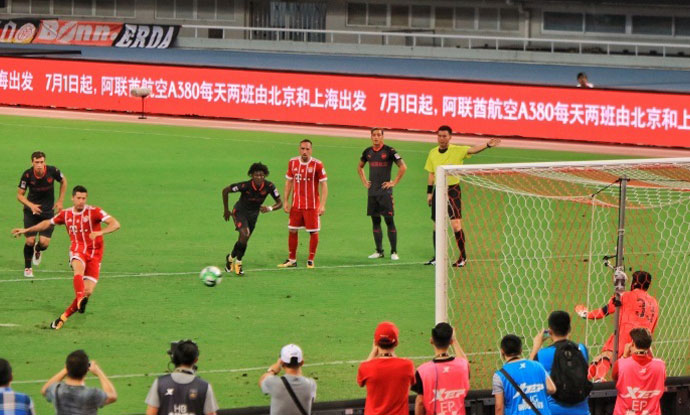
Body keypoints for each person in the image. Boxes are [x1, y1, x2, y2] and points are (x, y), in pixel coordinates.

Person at [11, 185, 121, 330]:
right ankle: (80, 298)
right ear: (72, 198)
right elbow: (47, 223)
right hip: (77, 249)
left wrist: (101, 232)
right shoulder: (66, 214)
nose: (81, 201)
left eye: (84, 198)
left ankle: (62, 318)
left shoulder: (94, 211)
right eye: (78, 198)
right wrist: (26, 230)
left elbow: (115, 224)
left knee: (88, 291)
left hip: (95, 254)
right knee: (78, 270)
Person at [424, 126, 500, 267]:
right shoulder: (432, 152)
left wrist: (487, 145)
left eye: (444, 136)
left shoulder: (457, 150)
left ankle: (463, 257)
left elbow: (472, 150)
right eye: (439, 136)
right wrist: (429, 193)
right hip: (438, 190)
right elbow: (431, 173)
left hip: (453, 190)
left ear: (450, 137)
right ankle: (437, 257)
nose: (442, 139)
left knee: (456, 224)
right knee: (437, 225)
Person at [575, 270, 659, 382]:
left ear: (634, 283)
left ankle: (599, 378)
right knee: (626, 366)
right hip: (643, 339)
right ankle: (589, 373)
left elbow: (604, 311)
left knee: (608, 355)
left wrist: (586, 314)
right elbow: (653, 326)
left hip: (625, 334)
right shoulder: (654, 303)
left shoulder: (625, 296)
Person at [222, 162, 282, 276]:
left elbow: (280, 203)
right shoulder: (245, 186)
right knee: (245, 234)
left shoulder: (270, 186)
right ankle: (238, 263)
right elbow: (225, 191)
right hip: (239, 212)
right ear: (252, 175)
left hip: (253, 215)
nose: (259, 177)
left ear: (265, 176)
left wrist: (269, 208)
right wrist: (226, 210)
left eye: (261, 175)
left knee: (243, 240)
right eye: (256, 175)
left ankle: (230, 258)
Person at [357, 128, 407, 260]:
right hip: (372, 192)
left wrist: (394, 182)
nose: (376, 137)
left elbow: (403, 167)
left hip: (385, 192)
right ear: (371, 137)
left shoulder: (390, 151)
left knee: (389, 221)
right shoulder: (367, 152)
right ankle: (379, 251)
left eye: (379, 135)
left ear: (382, 137)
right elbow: (359, 167)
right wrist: (364, 181)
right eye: (374, 135)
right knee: (375, 221)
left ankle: (394, 252)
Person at [16, 151, 67, 278]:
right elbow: (20, 195)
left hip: (48, 212)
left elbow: (64, 181)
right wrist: (31, 205)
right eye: (36, 162)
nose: (39, 165)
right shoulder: (27, 175)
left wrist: (60, 201)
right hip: (31, 212)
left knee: (44, 244)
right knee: (30, 240)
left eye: (41, 162)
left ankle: (38, 249)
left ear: (45, 162)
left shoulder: (53, 171)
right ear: (32, 162)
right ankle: (28, 268)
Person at [278, 139, 328, 269]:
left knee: (313, 232)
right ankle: (292, 260)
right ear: (299, 149)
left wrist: (322, 205)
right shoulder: (292, 162)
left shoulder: (317, 164)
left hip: (312, 206)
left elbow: (324, 185)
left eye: (307, 149)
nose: (305, 151)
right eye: (302, 149)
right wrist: (286, 201)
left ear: (311, 150)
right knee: (292, 229)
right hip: (296, 205)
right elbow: (289, 182)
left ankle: (310, 260)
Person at [529, 311, 591, 415]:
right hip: (582, 411)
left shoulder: (543, 354)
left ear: (550, 331)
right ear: (569, 329)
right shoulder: (581, 349)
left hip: (554, 411)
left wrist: (536, 346)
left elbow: (529, 372)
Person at [145, 340, 219, 415]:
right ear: (195, 360)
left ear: (174, 358)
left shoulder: (160, 383)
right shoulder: (204, 386)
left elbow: (151, 413)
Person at [357, 321, 415, 415]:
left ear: (375, 342)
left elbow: (360, 382)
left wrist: (372, 352)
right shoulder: (407, 365)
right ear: (396, 343)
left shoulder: (366, 367)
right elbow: (412, 382)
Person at [411, 322, 469, 415]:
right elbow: (465, 363)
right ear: (450, 341)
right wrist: (455, 341)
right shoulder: (462, 366)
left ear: (431, 340)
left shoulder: (423, 371)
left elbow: (420, 402)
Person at [493, 334, 556, 415]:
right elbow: (551, 389)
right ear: (521, 350)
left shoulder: (499, 376)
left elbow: (499, 407)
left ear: (502, 351)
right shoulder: (538, 366)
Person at [41, 350, 117, 415]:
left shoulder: (57, 390)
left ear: (66, 367)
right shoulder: (92, 394)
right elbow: (112, 396)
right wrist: (98, 372)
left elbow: (44, 390)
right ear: (86, 370)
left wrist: (67, 368)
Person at [611, 328, 666, 415]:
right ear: (649, 347)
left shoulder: (621, 364)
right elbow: (660, 378)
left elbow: (615, 378)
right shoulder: (660, 365)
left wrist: (624, 356)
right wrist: (650, 355)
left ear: (632, 343)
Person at [259, 344, 317, 415]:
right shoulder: (311, 384)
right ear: (302, 362)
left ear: (282, 363)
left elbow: (262, 381)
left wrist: (272, 371)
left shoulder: (274, 383)